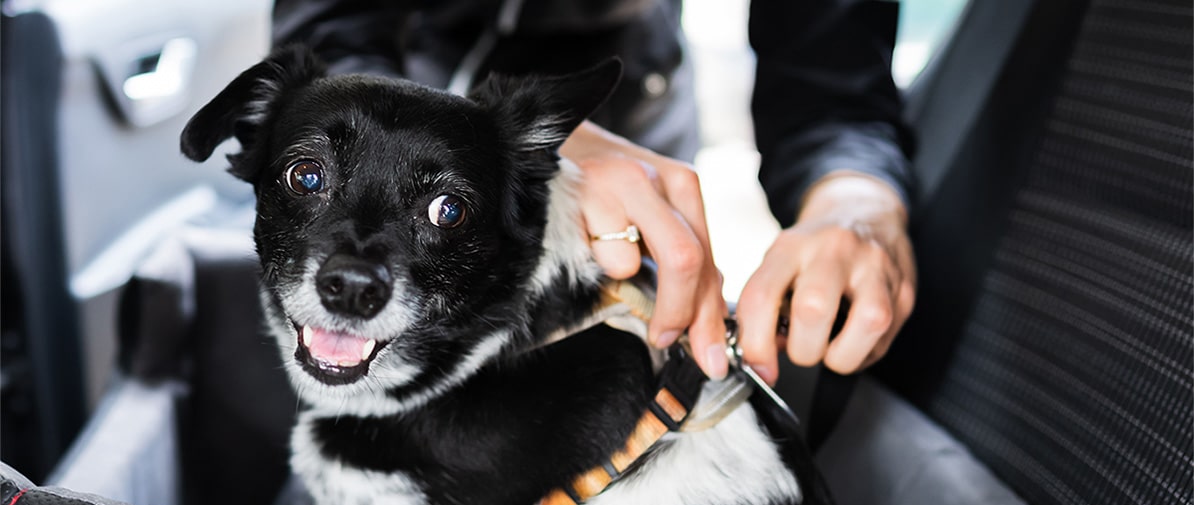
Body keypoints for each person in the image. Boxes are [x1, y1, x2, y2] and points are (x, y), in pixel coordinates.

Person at [272, 0, 916, 386]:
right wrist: (498, 146)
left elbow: (833, 92)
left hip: (633, 110)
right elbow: (334, 30)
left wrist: (857, 205)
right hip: (396, 91)